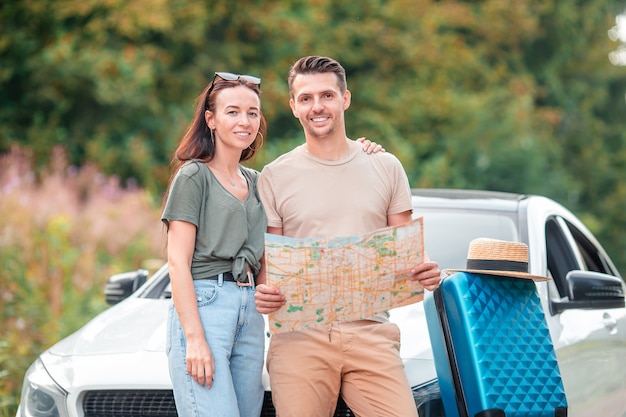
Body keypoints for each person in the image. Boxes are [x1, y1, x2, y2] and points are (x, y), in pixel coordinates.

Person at [161, 71, 386, 416]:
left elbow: (281, 254)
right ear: (211, 119)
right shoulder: (194, 176)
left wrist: (364, 151)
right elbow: (177, 262)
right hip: (206, 306)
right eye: (232, 112)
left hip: (250, 310)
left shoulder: (257, 182)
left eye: (252, 113)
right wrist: (194, 338)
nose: (245, 121)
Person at [254, 56, 442, 417]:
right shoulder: (274, 177)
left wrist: (425, 269)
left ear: (345, 99)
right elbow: (271, 265)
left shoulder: (385, 166)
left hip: (372, 332)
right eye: (306, 98)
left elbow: (406, 250)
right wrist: (265, 290)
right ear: (293, 107)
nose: (317, 106)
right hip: (299, 336)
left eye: (327, 95)